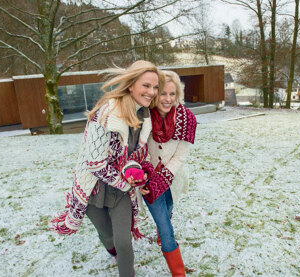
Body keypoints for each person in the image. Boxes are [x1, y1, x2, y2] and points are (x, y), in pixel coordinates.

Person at [50, 60, 165, 277]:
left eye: (155, 87)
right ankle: (111, 250)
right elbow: (94, 162)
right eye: (146, 85)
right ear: (131, 85)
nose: (152, 92)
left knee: (123, 242)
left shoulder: (145, 115)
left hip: (120, 192)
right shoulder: (105, 113)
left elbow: (138, 155)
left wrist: (139, 172)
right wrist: (125, 180)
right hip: (93, 190)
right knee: (108, 236)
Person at [143, 70, 197, 276]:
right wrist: (149, 174)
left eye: (172, 94)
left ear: (178, 95)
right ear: (156, 95)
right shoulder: (145, 117)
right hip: (148, 181)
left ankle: (161, 227)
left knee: (169, 207)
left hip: (171, 178)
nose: (167, 99)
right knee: (166, 228)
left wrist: (163, 178)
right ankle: (178, 273)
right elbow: (140, 149)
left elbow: (180, 156)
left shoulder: (187, 120)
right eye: (163, 94)